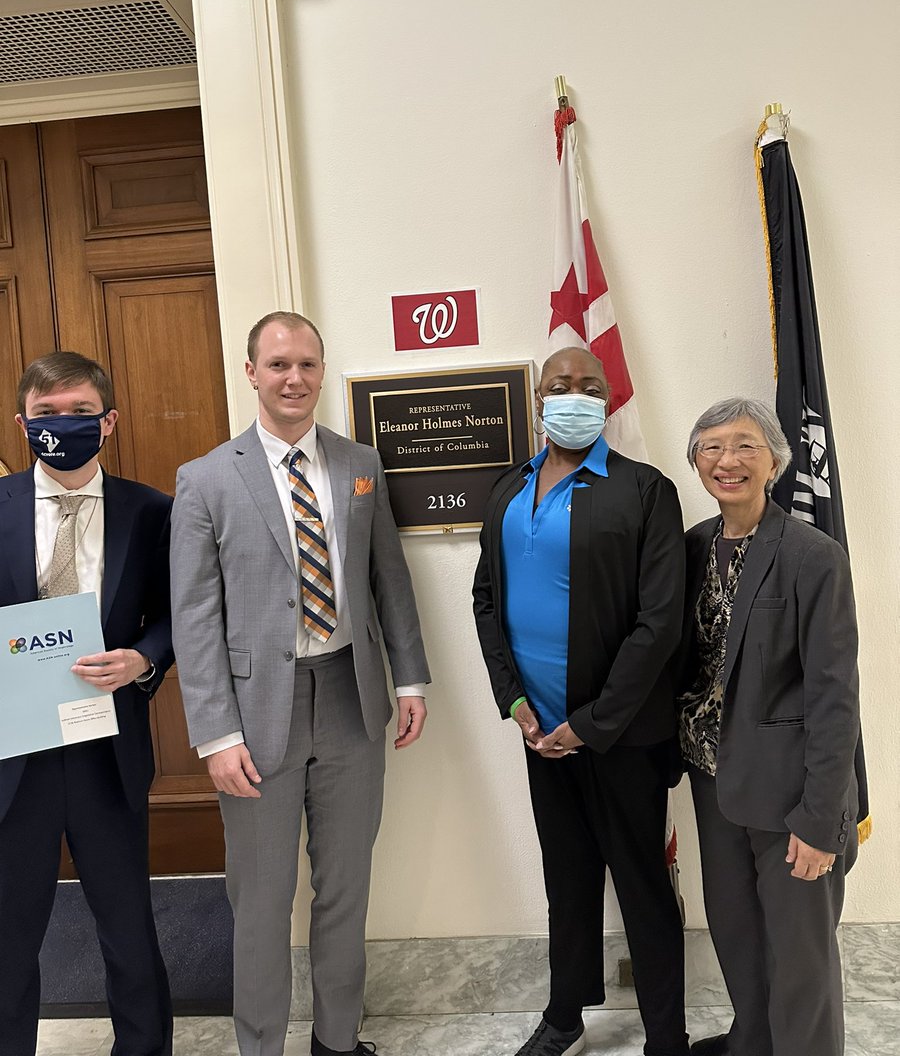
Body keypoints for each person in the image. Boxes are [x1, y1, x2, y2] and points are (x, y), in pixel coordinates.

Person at [171, 311, 430, 1056]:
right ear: (251, 373)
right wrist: (215, 734)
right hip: (254, 723)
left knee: (345, 893)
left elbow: (390, 583)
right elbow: (194, 617)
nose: (295, 379)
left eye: (308, 365)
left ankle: (337, 1042)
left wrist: (409, 680)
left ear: (322, 372)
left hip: (352, 702)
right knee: (260, 902)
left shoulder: (360, 464)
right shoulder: (206, 479)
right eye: (279, 364)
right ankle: (261, 1048)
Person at [472, 346, 689, 1056]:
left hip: (619, 737)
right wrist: (515, 703)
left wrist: (589, 725)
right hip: (539, 735)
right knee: (565, 883)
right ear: (538, 399)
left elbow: (660, 623)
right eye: (559, 386)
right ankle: (565, 1015)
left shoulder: (646, 490)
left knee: (641, 888)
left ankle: (666, 1036)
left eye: (588, 387)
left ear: (607, 400)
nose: (574, 396)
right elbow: (485, 600)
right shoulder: (507, 488)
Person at [0, 351, 174, 1056]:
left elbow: (171, 614)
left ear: (108, 423)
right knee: (9, 939)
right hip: (16, 759)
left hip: (109, 752)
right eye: (46, 415)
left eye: (79, 413)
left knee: (128, 931)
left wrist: (142, 659)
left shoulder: (152, 509)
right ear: (21, 424)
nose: (62, 426)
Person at [678, 398, 863, 1056]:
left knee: (801, 964)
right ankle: (751, 1045)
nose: (728, 460)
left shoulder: (814, 556)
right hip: (714, 784)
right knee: (738, 942)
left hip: (791, 800)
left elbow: (835, 698)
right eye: (712, 447)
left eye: (745, 445)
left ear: (776, 461)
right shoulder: (692, 547)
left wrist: (819, 821)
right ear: (696, 461)